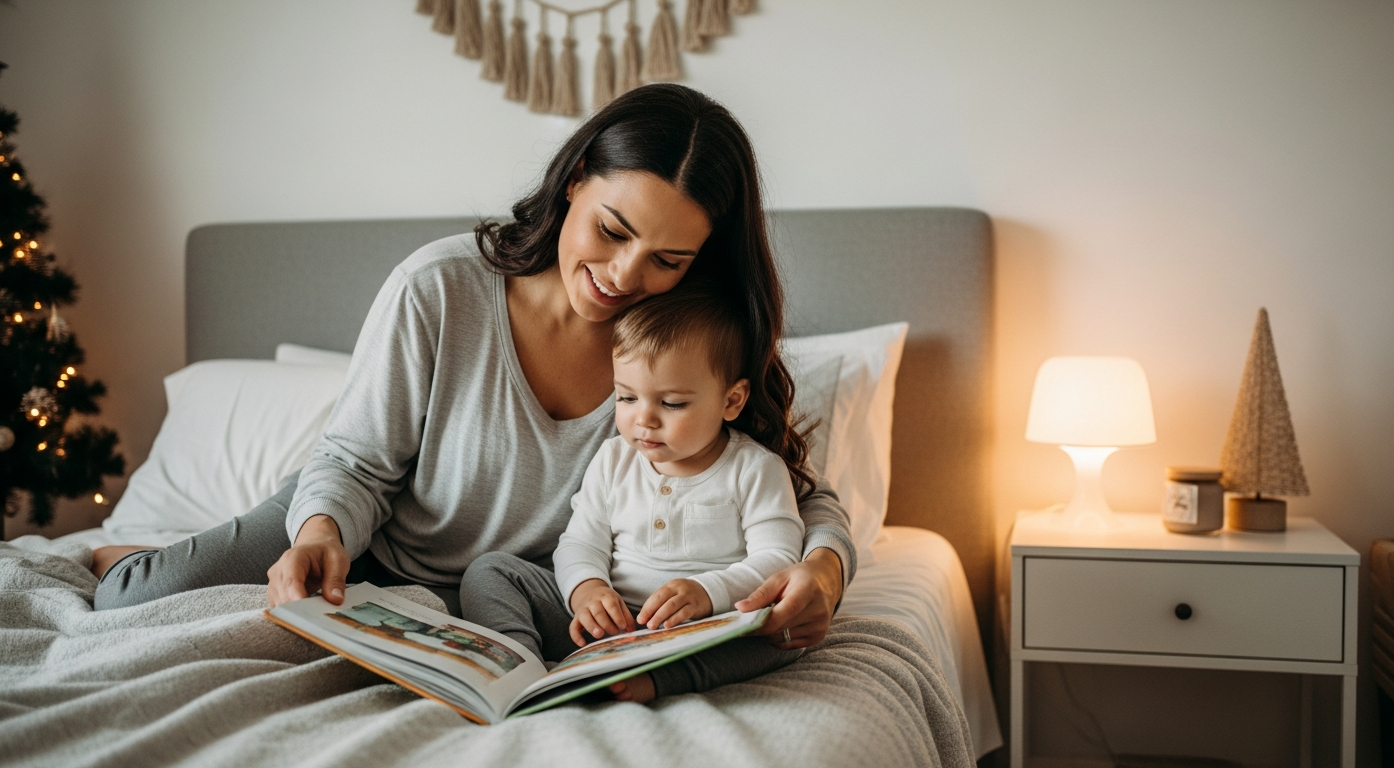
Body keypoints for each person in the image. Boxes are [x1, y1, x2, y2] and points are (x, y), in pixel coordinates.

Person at [92, 84, 854, 682]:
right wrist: (320, 532)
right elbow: (356, 463)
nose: (626, 276)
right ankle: (123, 549)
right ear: (576, 179)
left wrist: (822, 568)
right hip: (357, 532)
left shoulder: (685, 347)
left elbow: (791, 489)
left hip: (499, 593)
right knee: (129, 603)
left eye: (669, 260)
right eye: (613, 231)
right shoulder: (440, 288)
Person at [462, 282, 806, 703]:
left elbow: (779, 561)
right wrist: (587, 589)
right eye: (626, 397)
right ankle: (523, 669)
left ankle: (661, 680)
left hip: (705, 627)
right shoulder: (613, 459)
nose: (643, 420)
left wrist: (708, 593)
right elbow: (581, 540)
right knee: (490, 572)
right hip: (613, 619)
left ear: (731, 400)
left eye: (673, 404)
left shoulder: (754, 468)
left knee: (783, 635)